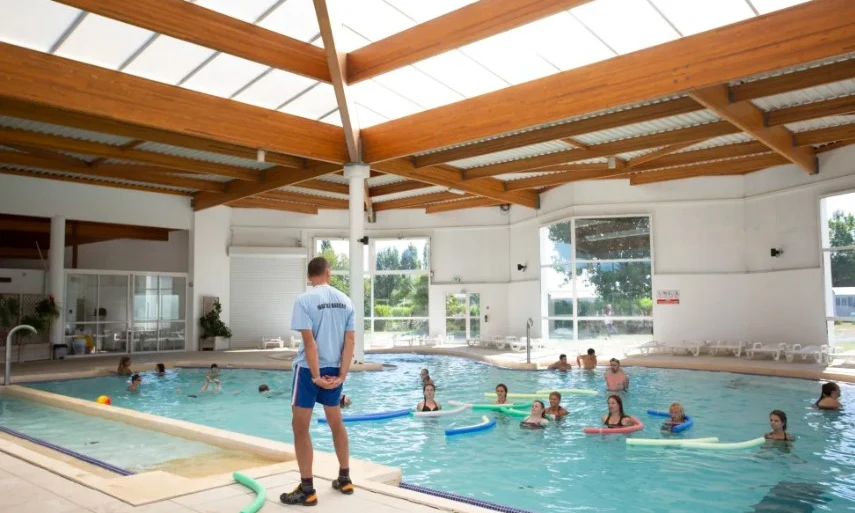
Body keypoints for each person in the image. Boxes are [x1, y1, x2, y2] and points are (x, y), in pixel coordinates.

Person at [281, 256, 355, 507]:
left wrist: (314, 376)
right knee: (336, 422)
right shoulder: (346, 301)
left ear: (309, 276)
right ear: (328, 273)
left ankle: (308, 488)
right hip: (335, 369)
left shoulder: (304, 300)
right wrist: (342, 376)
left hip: (308, 371)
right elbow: (350, 343)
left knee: (300, 427)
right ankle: (345, 478)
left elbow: (310, 343)